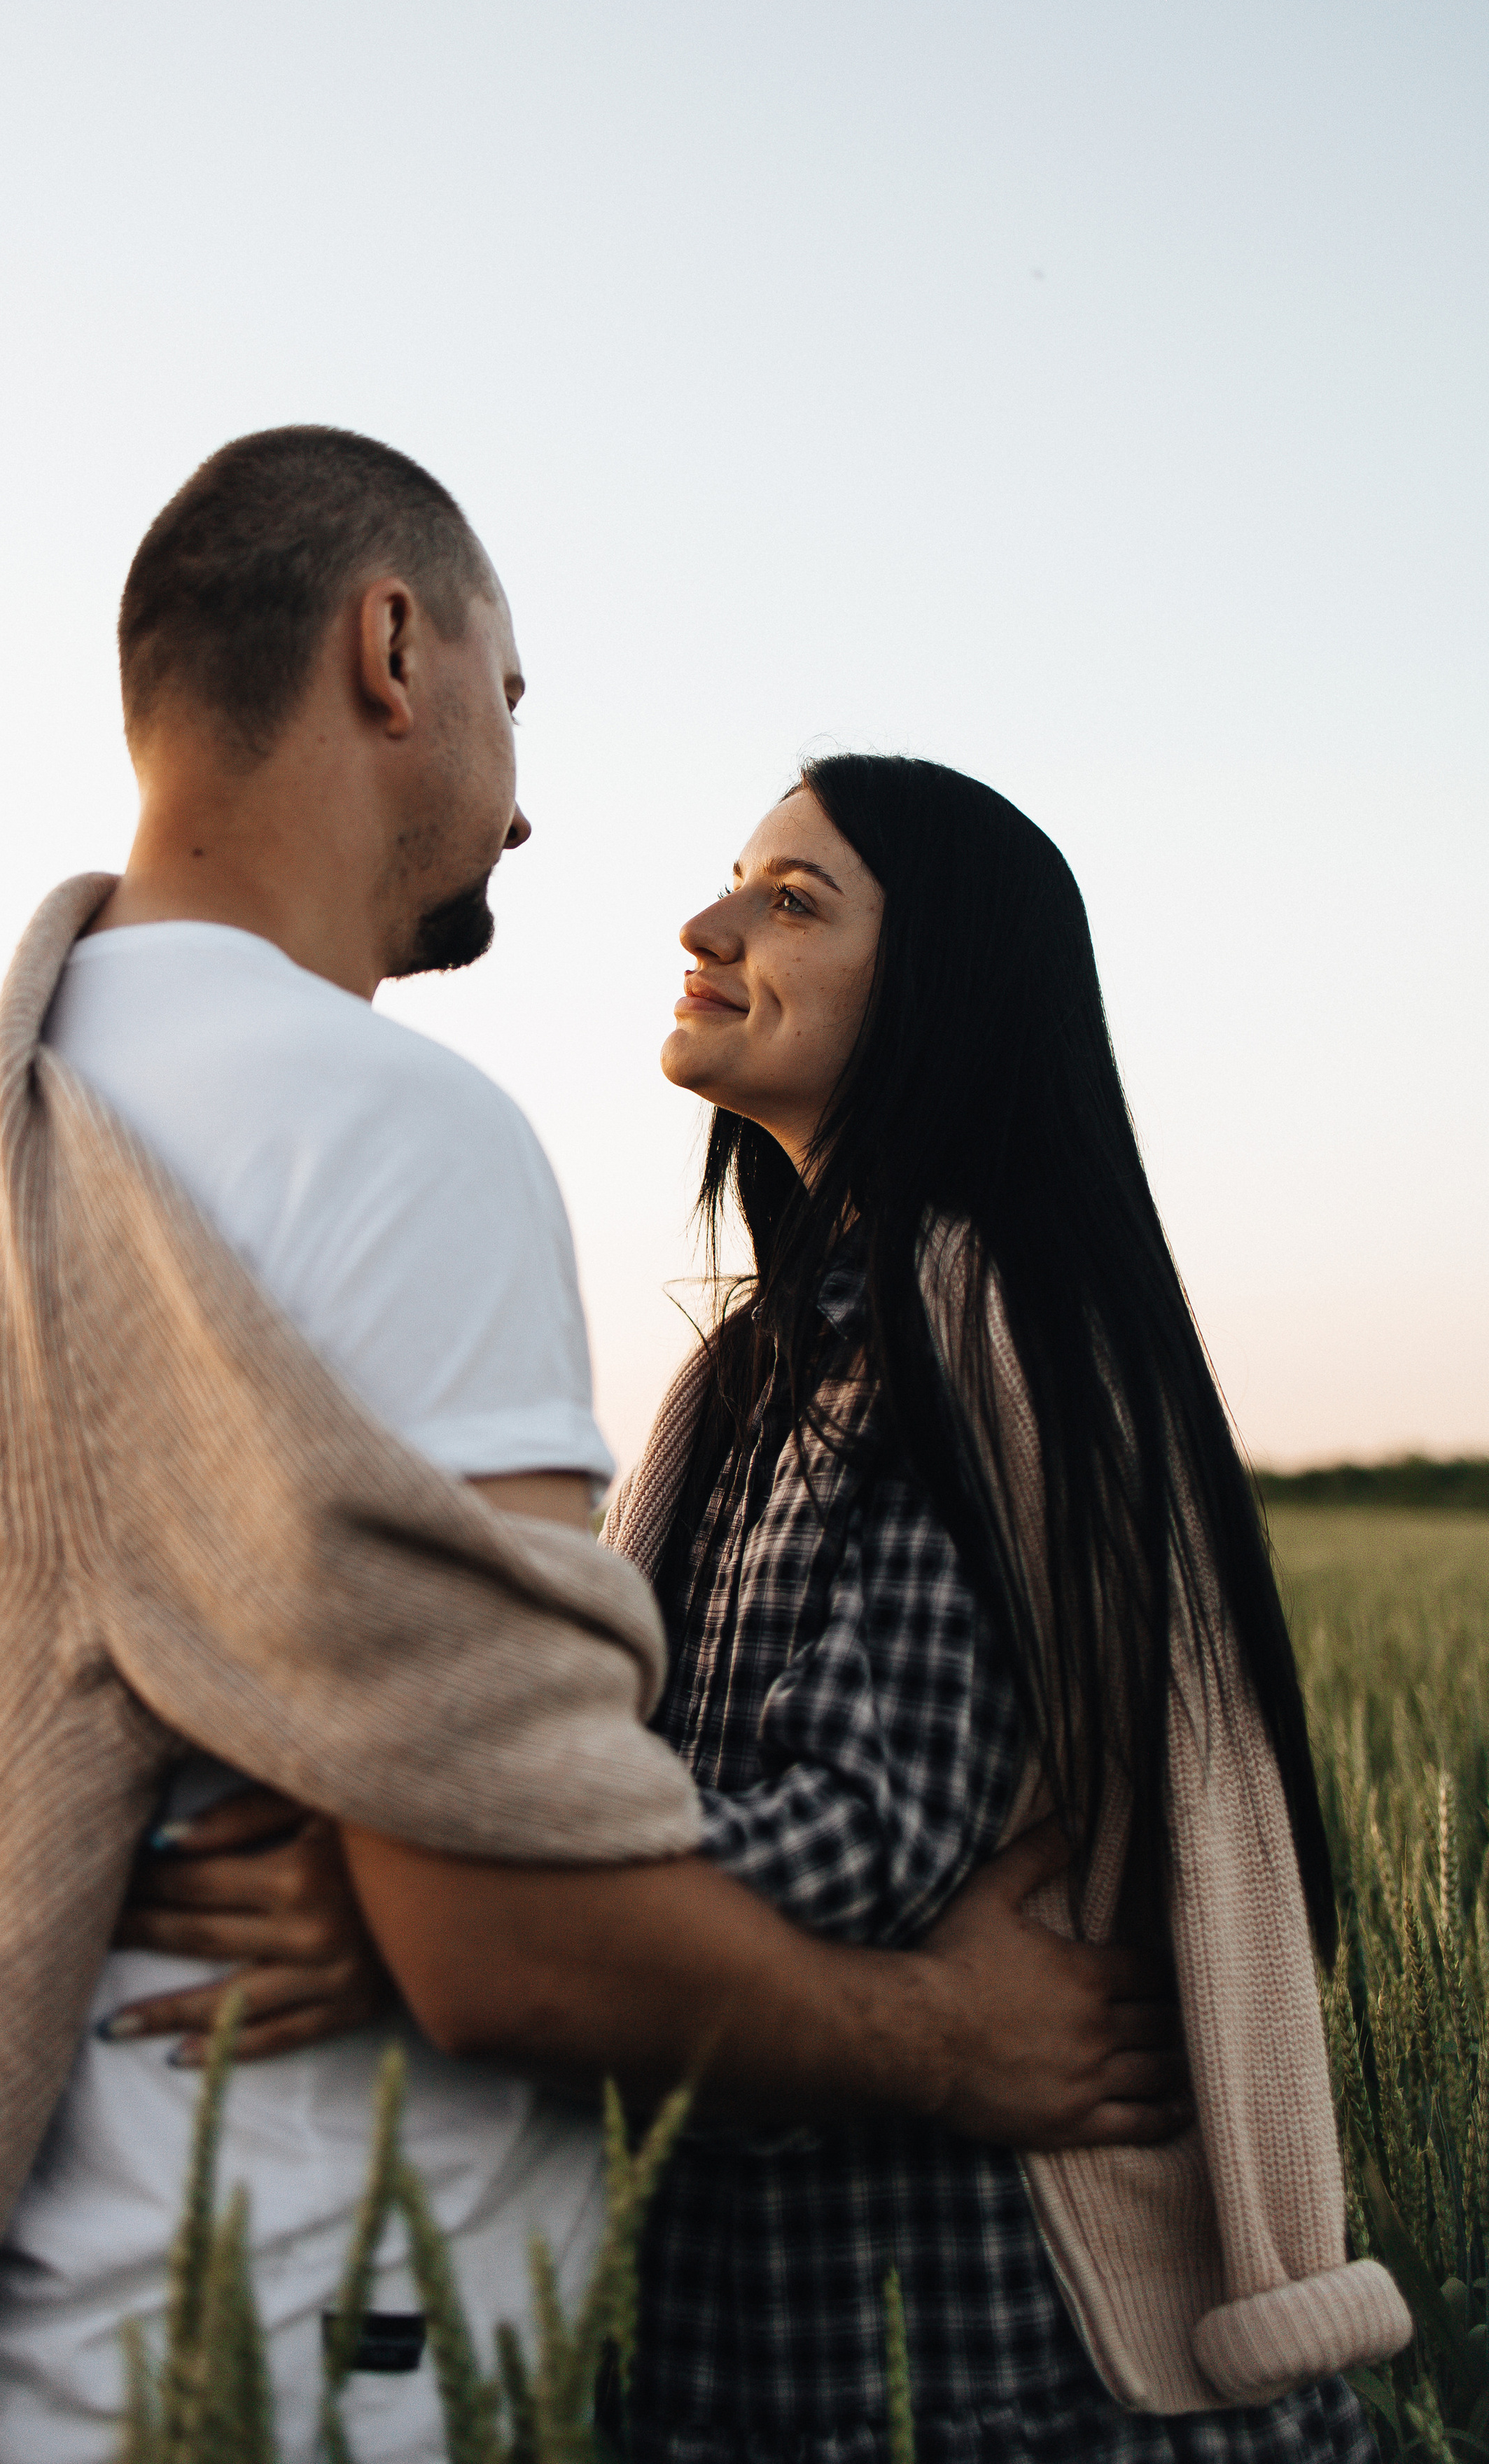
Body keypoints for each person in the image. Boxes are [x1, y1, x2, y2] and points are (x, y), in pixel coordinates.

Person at [0, 433, 1183, 2464]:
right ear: (391, 650)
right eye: (515, 696)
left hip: (34, 2330)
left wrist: (408, 1869)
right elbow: (503, 1932)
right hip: (307, 2349)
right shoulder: (397, 1132)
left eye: (792, 892)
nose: (531, 792)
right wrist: (949, 2040)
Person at [599, 753, 1407, 2460]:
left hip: (998, 2376)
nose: (707, 921)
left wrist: (435, 1876)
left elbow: (860, 1850)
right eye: (733, 876)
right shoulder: (757, 1378)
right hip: (774, 2349)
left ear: (944, 988)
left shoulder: (976, 1331)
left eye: (791, 899)